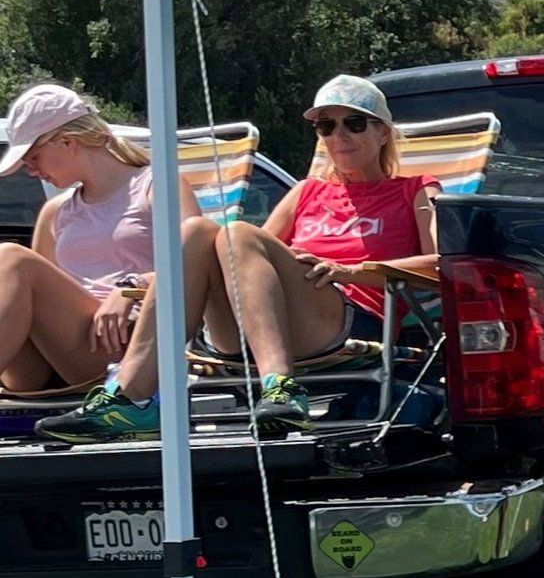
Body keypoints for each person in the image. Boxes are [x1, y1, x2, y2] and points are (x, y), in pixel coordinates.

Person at [37, 76, 439, 443]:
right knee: (199, 231)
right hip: (262, 328)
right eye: (326, 126)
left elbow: (442, 264)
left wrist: (351, 271)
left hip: (350, 318)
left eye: (355, 123)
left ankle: (280, 386)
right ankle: (131, 398)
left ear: (383, 132)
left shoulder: (415, 190)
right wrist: (138, 285)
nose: (339, 135)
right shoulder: (306, 192)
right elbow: (242, 256)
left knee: (238, 231)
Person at [0, 84, 156, 396]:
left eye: (33, 158)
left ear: (67, 142)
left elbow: (197, 267)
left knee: (12, 258)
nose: (32, 172)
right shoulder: (56, 212)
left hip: (125, 347)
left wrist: (131, 288)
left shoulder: (153, 186)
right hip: (55, 360)